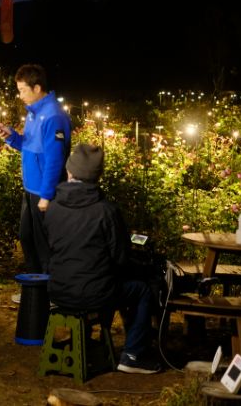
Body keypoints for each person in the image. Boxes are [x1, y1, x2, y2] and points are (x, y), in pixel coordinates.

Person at [44, 143, 162, 374]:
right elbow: (120, 259)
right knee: (142, 290)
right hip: (94, 293)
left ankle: (88, 341)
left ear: (69, 171)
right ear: (97, 176)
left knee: (103, 283)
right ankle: (133, 355)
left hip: (58, 289)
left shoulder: (53, 208)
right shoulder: (106, 211)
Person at [0, 63, 71, 275]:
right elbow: (30, 148)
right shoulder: (33, 113)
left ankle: (51, 294)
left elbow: (54, 160)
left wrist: (46, 196)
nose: (19, 95)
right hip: (31, 189)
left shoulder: (53, 116)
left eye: (22, 90)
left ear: (37, 88)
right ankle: (34, 292)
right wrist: (12, 138)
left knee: (44, 246)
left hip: (44, 193)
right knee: (27, 239)